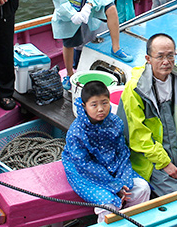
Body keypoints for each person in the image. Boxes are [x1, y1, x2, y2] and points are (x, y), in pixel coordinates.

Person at [117, 33, 177, 196]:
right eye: (160, 56)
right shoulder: (135, 89)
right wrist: (164, 163)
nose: (166, 62)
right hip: (151, 159)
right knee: (175, 198)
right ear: (148, 58)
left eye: (170, 55)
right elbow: (138, 136)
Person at [62, 81, 150, 224]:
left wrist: (124, 181)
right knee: (109, 204)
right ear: (84, 106)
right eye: (94, 105)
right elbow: (84, 165)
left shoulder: (115, 122)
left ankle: (129, 222)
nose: (101, 109)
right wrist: (115, 185)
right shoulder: (77, 132)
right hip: (84, 173)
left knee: (142, 188)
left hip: (112, 166)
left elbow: (122, 153)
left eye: (104, 103)